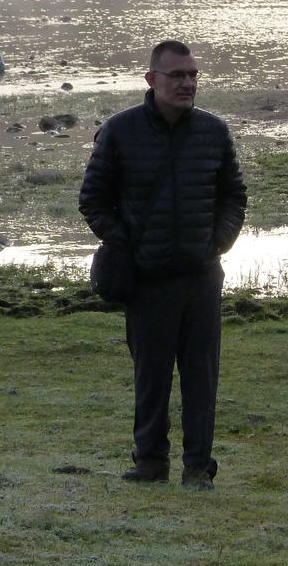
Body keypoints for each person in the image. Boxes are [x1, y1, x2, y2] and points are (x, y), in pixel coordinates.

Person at [79, 40, 247, 490]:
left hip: (202, 276)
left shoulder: (213, 132)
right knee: (150, 378)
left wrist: (218, 242)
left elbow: (234, 196)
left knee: (201, 378)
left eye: (192, 75)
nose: (187, 83)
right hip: (147, 280)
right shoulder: (119, 131)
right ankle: (150, 461)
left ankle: (198, 468)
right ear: (152, 80)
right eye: (177, 75)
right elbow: (93, 200)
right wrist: (126, 245)